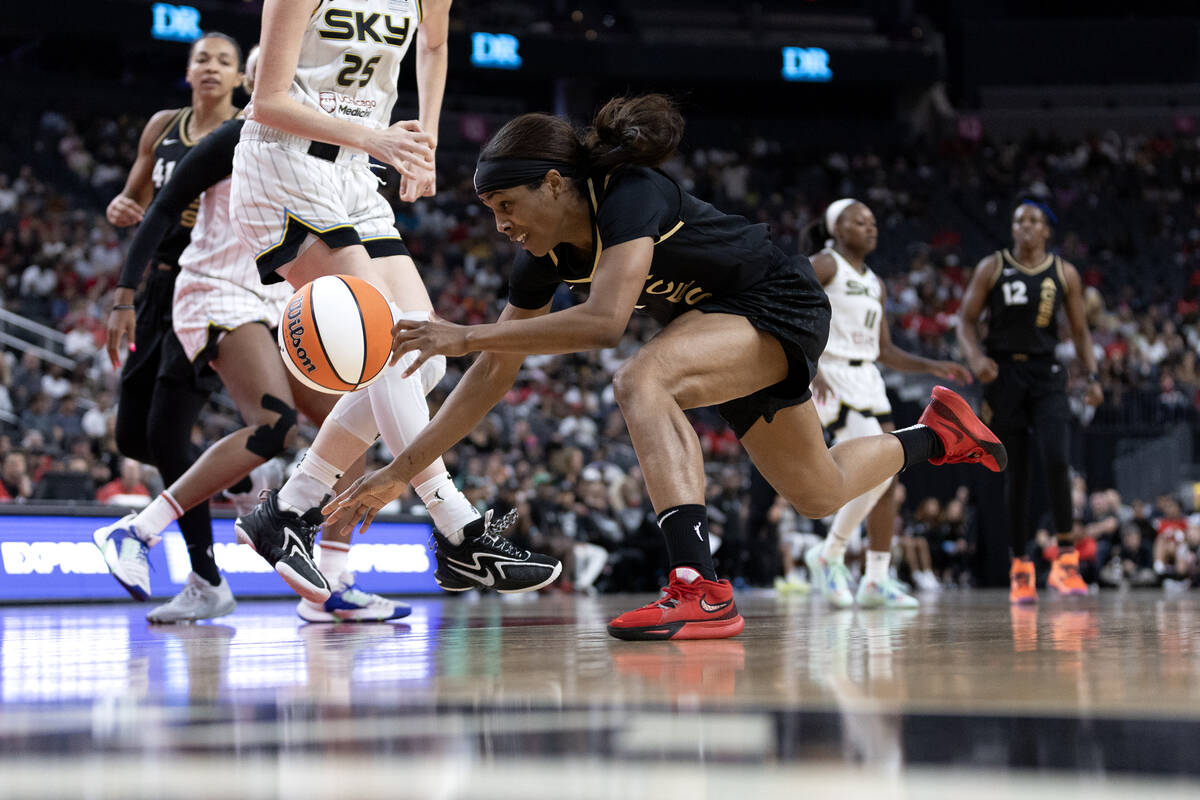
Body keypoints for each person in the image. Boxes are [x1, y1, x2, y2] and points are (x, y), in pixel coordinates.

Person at [324, 95, 1008, 641]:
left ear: (555, 183)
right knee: (820, 491)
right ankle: (938, 434)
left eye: (507, 206)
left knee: (641, 379)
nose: (501, 224)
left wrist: (466, 335)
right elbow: (493, 377)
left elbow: (605, 322)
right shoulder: (541, 256)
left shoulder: (629, 192)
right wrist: (396, 474)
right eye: (492, 212)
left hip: (775, 299)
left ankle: (699, 587)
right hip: (711, 328)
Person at [228, 0, 561, 601]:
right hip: (282, 163)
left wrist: (424, 137)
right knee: (385, 345)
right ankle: (459, 531)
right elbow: (268, 100)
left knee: (423, 355)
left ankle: (291, 506)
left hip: (355, 170)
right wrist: (377, 136)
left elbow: (434, 45)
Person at [93, 48, 406, 625]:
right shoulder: (240, 134)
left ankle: (333, 582)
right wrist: (124, 294)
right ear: (256, 83)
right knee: (272, 426)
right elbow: (159, 210)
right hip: (214, 290)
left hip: (274, 302)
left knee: (357, 420)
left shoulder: (323, 148)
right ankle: (136, 530)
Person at [102, 31, 243, 608]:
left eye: (224, 61)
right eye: (202, 58)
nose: (211, 67)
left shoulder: (246, 131)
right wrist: (119, 206)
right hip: (156, 283)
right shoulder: (162, 126)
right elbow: (133, 201)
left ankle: (206, 577)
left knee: (165, 434)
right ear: (187, 71)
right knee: (132, 436)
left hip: (209, 284)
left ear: (241, 77)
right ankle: (234, 475)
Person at [802, 199, 973, 609]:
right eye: (858, 220)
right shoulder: (825, 264)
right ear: (835, 228)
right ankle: (830, 553)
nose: (869, 226)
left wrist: (933, 365)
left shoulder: (876, 283)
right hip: (832, 372)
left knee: (890, 476)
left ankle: (876, 578)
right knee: (874, 470)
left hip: (867, 378)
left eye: (873, 221)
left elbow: (885, 349)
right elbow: (790, 300)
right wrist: (808, 359)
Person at [957, 201, 1103, 604]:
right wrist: (975, 358)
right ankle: (1020, 564)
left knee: (1057, 458)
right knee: (1016, 472)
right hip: (1002, 374)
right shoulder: (992, 266)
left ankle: (1066, 561)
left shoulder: (1064, 272)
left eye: (1034, 220)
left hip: (1046, 374)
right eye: (1019, 219)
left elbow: (1080, 332)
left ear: (1047, 231)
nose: (1025, 225)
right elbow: (964, 320)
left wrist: (1092, 376)